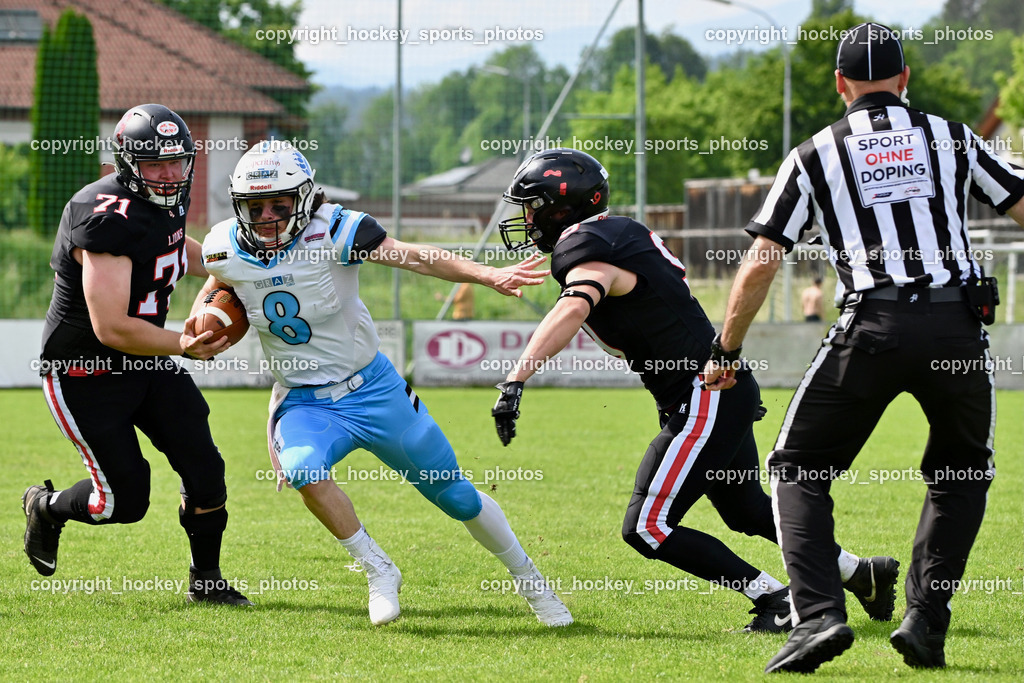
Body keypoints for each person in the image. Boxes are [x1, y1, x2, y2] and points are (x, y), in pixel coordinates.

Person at [702, 22, 1024, 673]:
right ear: (904, 79)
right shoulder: (951, 135)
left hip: (871, 327)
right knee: (961, 474)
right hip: (957, 327)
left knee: (796, 468)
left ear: (840, 84)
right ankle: (926, 621)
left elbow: (763, 259)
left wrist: (726, 349)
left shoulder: (814, 153)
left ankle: (819, 615)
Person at [490, 147, 898, 633]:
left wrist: (516, 378)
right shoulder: (614, 233)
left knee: (646, 527)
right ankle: (860, 573)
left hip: (704, 393)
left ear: (564, 207)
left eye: (534, 206)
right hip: (717, 391)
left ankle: (775, 599)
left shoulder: (586, 245)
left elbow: (575, 304)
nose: (527, 218)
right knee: (746, 509)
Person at [196, 140, 571, 627]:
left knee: (456, 496)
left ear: (303, 199)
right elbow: (218, 283)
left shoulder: (335, 229)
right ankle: (378, 569)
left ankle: (530, 581)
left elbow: (415, 257)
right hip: (305, 401)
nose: (266, 217)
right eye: (255, 206)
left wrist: (485, 274)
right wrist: (200, 323)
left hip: (375, 390)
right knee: (303, 468)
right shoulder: (224, 246)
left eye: (278, 205)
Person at [24, 103, 251, 605]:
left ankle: (206, 581)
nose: (169, 174)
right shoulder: (103, 214)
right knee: (123, 503)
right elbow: (110, 328)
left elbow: (176, 248)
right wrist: (184, 345)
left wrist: (242, 269)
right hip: (84, 373)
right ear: (128, 163)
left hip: (145, 363)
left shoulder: (164, 200)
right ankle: (47, 506)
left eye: (176, 161)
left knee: (205, 469)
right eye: (155, 163)